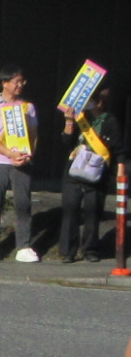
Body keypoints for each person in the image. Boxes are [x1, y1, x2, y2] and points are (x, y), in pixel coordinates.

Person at [0, 65, 40, 262]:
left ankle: (23, 247)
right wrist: (8, 153)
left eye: (22, 81)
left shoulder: (28, 107)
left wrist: (28, 155)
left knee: (23, 203)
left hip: (22, 161)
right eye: (16, 81)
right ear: (4, 83)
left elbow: (33, 135)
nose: (20, 85)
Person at [58, 87, 123, 263]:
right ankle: (68, 251)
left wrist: (120, 170)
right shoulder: (79, 117)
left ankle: (90, 249)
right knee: (70, 210)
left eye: (91, 100)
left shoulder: (110, 121)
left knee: (93, 212)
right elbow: (67, 142)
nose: (88, 104)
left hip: (97, 172)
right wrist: (69, 122)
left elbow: (118, 149)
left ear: (100, 102)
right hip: (74, 170)